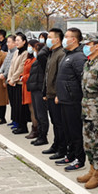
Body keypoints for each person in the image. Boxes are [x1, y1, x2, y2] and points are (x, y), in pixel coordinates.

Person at [77, 33, 98, 189]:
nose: (85, 47)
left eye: (88, 44)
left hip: (96, 109)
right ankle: (91, 168)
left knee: (97, 142)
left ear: (97, 46)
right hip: (86, 107)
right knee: (88, 141)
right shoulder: (88, 64)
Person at [55, 27, 86, 171]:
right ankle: (70, 154)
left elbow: (82, 80)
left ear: (74, 39)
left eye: (66, 36)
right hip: (64, 100)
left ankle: (79, 158)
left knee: (75, 131)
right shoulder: (67, 55)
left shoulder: (78, 57)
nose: (64, 39)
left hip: (73, 101)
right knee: (67, 130)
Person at [42, 28, 67, 160]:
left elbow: (59, 76)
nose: (47, 39)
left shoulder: (61, 54)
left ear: (57, 40)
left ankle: (62, 149)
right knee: (55, 122)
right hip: (50, 93)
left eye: (50, 37)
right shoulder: (52, 53)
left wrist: (58, 94)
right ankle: (56, 145)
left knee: (59, 124)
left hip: (57, 95)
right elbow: (47, 74)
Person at [6, 32, 30, 134]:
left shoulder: (25, 53)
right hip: (12, 82)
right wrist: (9, 78)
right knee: (15, 105)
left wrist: (13, 79)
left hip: (19, 83)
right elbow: (12, 66)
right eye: (15, 40)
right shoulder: (16, 52)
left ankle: (23, 127)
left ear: (24, 42)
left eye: (18, 40)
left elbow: (21, 68)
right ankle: (18, 124)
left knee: (21, 107)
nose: (16, 42)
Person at [27, 40, 49, 146]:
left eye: (35, 49)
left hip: (40, 89)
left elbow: (42, 56)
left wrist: (42, 47)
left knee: (41, 115)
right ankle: (40, 135)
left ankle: (43, 136)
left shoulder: (41, 60)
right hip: (34, 89)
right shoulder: (36, 60)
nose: (33, 51)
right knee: (37, 114)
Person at [0, 35, 17, 126]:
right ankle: (13, 120)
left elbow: (11, 67)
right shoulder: (9, 52)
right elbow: (5, 64)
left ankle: (17, 121)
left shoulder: (16, 52)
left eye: (9, 42)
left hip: (12, 80)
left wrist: (5, 75)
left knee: (15, 103)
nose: (7, 44)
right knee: (12, 102)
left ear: (14, 43)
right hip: (7, 80)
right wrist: (0, 72)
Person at [22, 40, 38, 139]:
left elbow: (33, 74)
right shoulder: (29, 58)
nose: (29, 49)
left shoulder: (35, 60)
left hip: (31, 86)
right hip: (26, 85)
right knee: (31, 109)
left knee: (33, 110)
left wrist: (24, 77)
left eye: (30, 46)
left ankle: (35, 129)